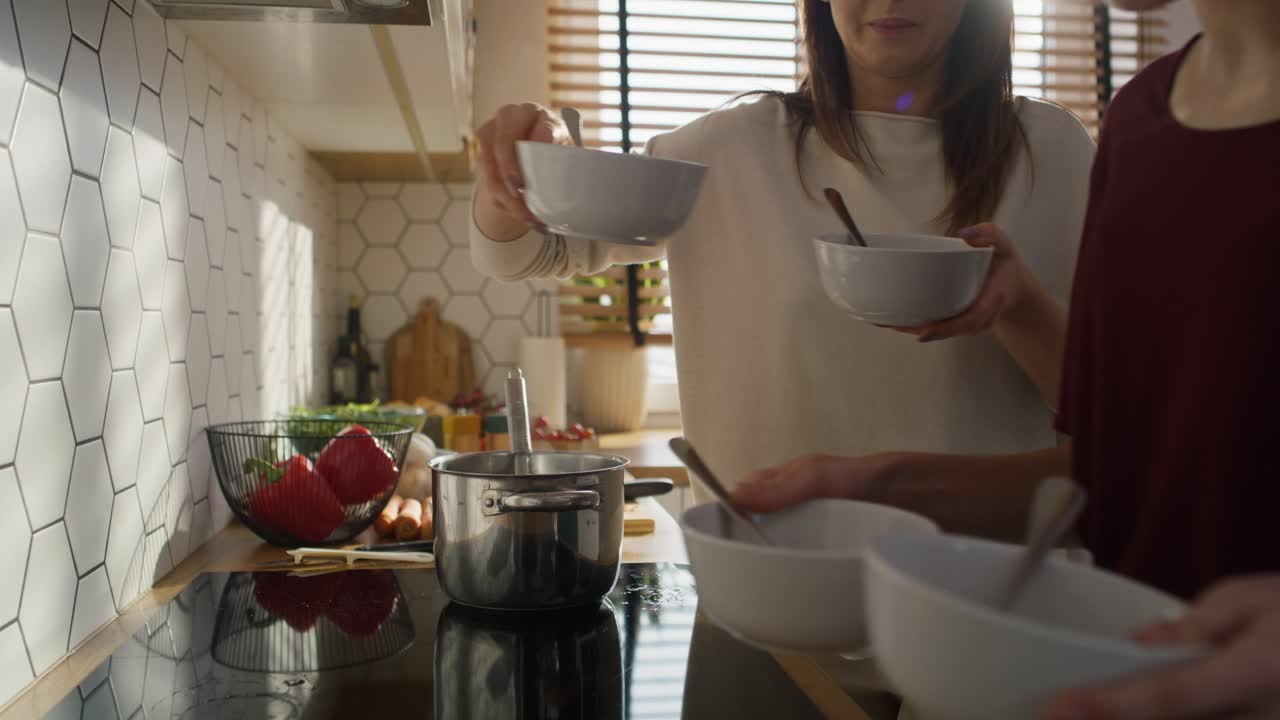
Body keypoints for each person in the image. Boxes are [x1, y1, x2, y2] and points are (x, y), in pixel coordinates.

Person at [733, 1, 1280, 717]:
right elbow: (1124, 486)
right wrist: (880, 488)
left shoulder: (1063, 142)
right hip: (1120, 669)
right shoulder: (1144, 119)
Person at [469, 0, 1093, 505]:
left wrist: (1020, 306)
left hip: (984, 605)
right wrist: (522, 166)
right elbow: (527, 252)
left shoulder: (1055, 155)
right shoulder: (731, 150)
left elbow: (1122, 418)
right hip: (766, 602)